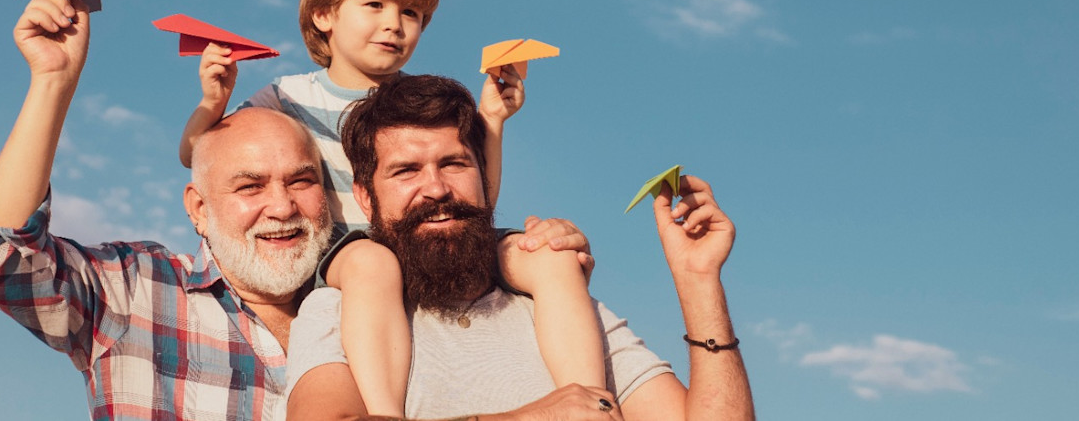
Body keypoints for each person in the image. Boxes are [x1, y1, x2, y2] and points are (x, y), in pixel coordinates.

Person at [175, 0, 604, 416]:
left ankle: (593, 401)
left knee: (550, 255)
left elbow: (471, 201)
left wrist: (493, 122)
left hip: (433, 240)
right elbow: (198, 154)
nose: (395, 24)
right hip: (349, 250)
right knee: (373, 264)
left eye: (411, 13)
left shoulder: (422, 101)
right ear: (323, 14)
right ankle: (386, 411)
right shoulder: (286, 97)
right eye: (375, 5)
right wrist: (214, 103)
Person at [285, 75, 756, 420]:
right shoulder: (338, 311)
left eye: (454, 163)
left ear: (484, 178)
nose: (435, 188)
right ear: (366, 197)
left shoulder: (556, 300)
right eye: (406, 171)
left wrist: (699, 281)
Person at [0, 0, 331, 420]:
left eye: (302, 180)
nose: (282, 206)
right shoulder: (134, 291)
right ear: (198, 209)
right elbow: (5, 255)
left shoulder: (360, 311)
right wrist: (52, 80)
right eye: (250, 187)